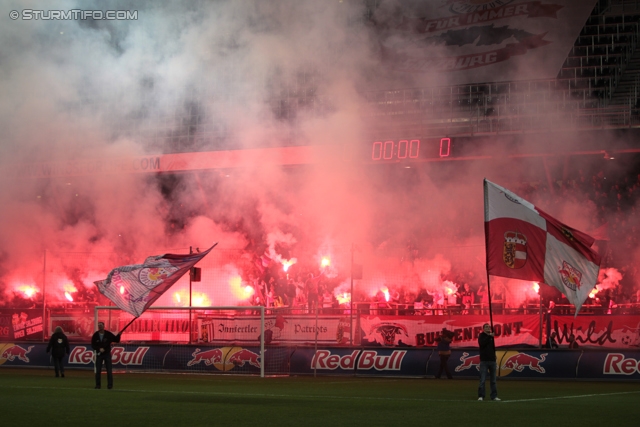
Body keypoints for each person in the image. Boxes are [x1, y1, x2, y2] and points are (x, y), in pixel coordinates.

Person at [91, 322, 121, 389]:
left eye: (101, 325)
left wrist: (119, 335)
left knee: (109, 370)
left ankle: (110, 385)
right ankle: (98, 385)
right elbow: (93, 345)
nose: (100, 326)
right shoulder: (95, 335)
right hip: (99, 354)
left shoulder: (108, 334)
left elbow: (116, 340)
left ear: (104, 326)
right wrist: (99, 349)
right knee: (98, 370)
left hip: (107, 354)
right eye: (99, 325)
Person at [477, 323, 500, 401]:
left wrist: (494, 355)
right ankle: (481, 396)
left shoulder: (491, 337)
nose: (488, 328)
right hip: (484, 360)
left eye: (489, 327)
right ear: (483, 328)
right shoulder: (482, 336)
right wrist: (490, 336)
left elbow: (492, 347)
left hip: (492, 360)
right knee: (482, 379)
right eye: (486, 327)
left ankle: (494, 396)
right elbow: (482, 343)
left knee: (493, 380)